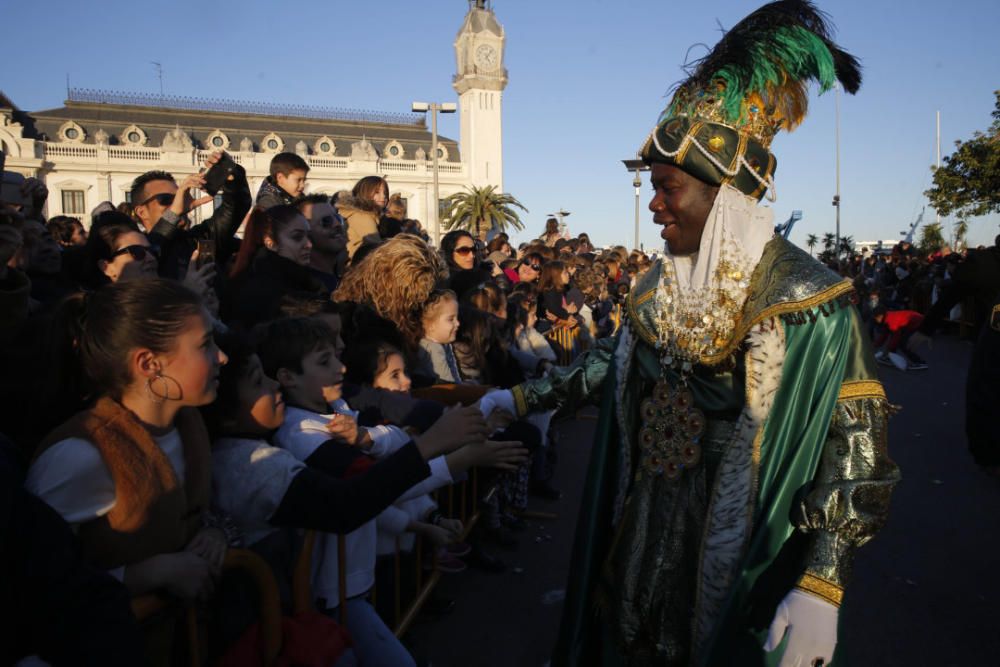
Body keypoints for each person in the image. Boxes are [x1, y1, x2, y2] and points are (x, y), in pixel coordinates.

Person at [478, 3, 898, 665]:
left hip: (739, 545)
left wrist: (824, 580)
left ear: (724, 195)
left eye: (668, 187)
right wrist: (522, 399)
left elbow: (857, 451)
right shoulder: (655, 287)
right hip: (644, 523)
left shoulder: (807, 300)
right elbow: (610, 368)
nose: (654, 204)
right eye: (652, 187)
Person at [25, 280, 228, 634]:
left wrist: (216, 533)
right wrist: (150, 573)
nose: (222, 356)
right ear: (149, 363)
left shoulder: (189, 422)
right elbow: (27, 579)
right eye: (206, 344)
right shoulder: (82, 454)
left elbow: (195, 512)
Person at [129, 152, 252, 280]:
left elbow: (236, 207)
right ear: (141, 212)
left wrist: (229, 171)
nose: (177, 203)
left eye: (178, 197)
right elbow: (154, 247)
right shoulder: (136, 254)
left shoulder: (200, 239)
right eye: (165, 199)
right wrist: (173, 214)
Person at [224, 205, 328, 327]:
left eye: (308, 236)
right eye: (297, 237)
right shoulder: (264, 292)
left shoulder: (299, 279)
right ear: (270, 242)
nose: (308, 244)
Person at [338, 175, 389, 261]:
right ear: (365, 192)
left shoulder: (361, 214)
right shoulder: (363, 216)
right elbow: (378, 250)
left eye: (385, 193)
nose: (383, 196)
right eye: (377, 192)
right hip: (357, 269)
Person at [871, 305, 930, 370]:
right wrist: (873, 346)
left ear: (880, 316)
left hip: (918, 323)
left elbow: (895, 336)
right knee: (896, 342)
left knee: (903, 344)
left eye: (875, 317)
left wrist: (888, 350)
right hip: (910, 323)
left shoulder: (891, 320)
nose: (875, 319)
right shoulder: (886, 318)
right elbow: (884, 335)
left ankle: (920, 362)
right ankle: (889, 357)